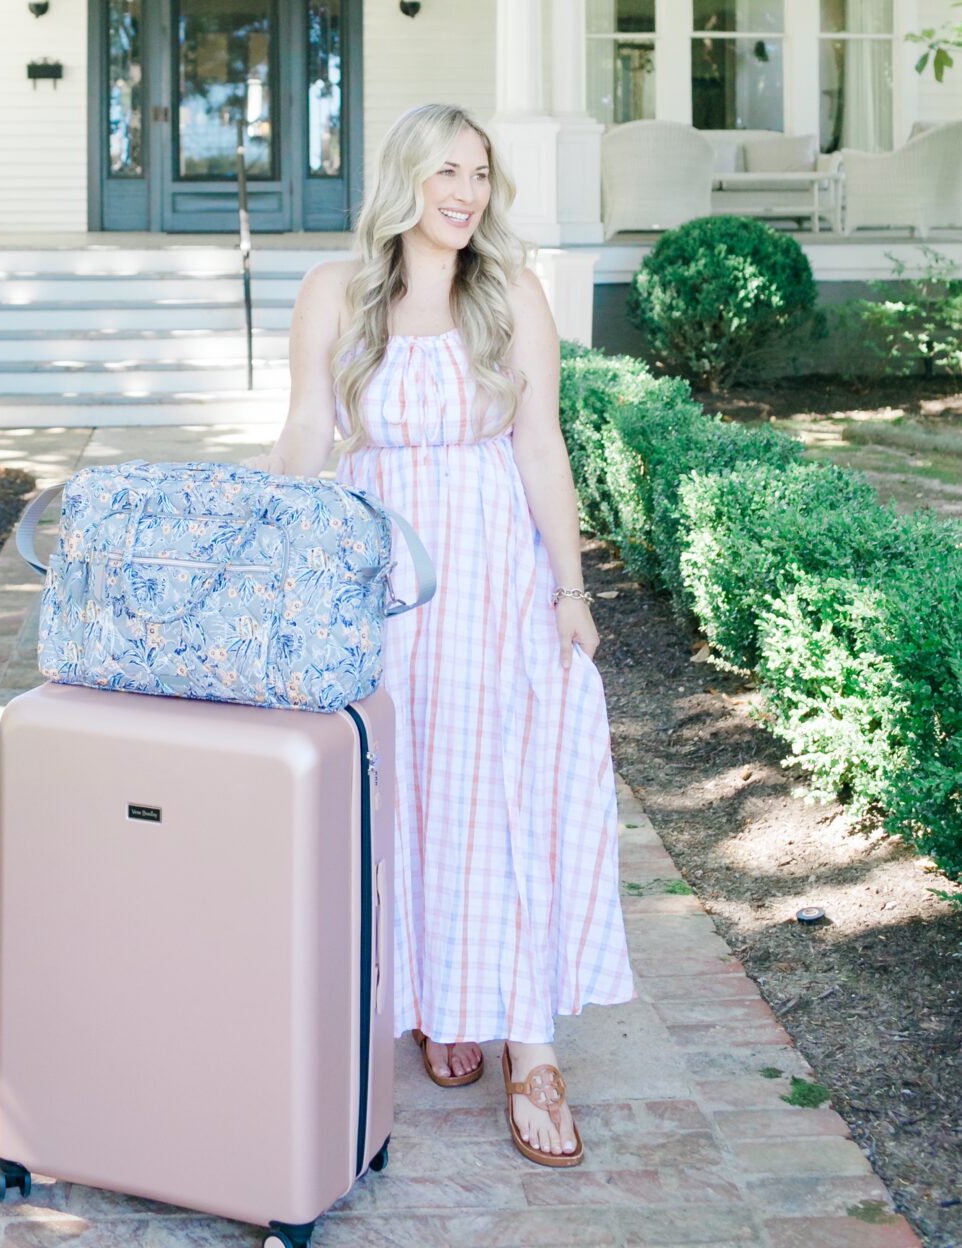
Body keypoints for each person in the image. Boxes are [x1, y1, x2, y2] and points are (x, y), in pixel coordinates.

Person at [257, 101, 633, 1165]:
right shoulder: (338, 291)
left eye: (479, 173)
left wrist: (570, 588)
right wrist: (265, 546)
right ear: (404, 179)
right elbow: (304, 427)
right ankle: (437, 997)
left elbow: (543, 443)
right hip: (378, 582)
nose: (466, 192)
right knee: (401, 797)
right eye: (446, 172)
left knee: (500, 794)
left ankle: (531, 1046)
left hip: (490, 579)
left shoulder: (508, 290)